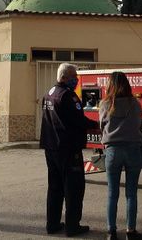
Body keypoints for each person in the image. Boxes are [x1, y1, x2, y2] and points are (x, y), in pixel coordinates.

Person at [40, 63, 99, 237]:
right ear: (64, 77)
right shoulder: (68, 96)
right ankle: (73, 226)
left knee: (55, 187)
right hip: (68, 148)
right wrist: (96, 125)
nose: (77, 80)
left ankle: (52, 224)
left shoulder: (48, 93)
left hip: (51, 147)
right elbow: (78, 120)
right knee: (74, 188)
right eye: (74, 77)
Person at [99, 71, 142, 240]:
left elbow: (102, 126)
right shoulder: (135, 104)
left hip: (112, 150)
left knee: (112, 193)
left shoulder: (105, 104)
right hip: (133, 149)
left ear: (110, 85)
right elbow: (139, 123)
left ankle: (111, 232)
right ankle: (130, 231)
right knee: (131, 193)